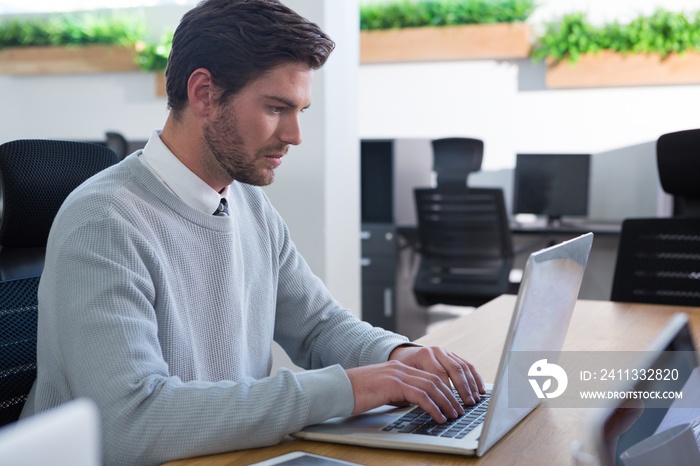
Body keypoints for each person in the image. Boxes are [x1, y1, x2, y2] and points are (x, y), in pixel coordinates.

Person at [21, 1, 485, 465]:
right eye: (277, 108)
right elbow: (132, 422)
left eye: (300, 109)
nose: (296, 134)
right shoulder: (104, 224)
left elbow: (318, 325)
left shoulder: (246, 202)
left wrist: (395, 356)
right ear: (203, 92)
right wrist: (351, 387)